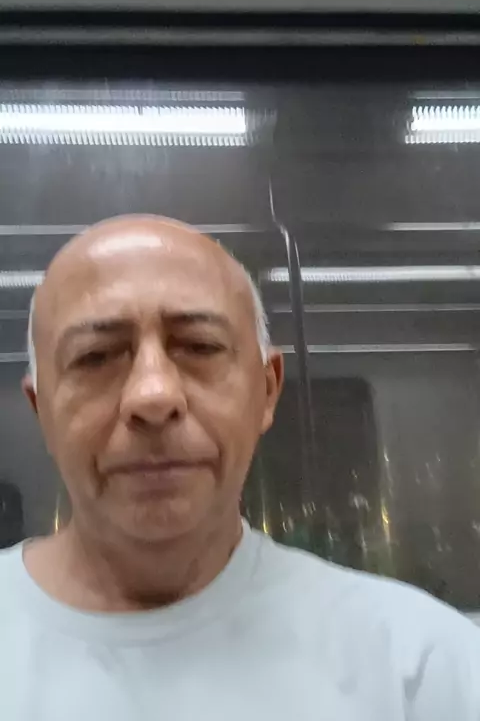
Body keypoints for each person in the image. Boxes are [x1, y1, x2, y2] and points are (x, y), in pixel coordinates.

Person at [1, 214, 480, 721]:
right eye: (96, 357)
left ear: (267, 389)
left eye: (200, 346)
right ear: (41, 410)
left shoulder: (420, 668)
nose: (153, 395)